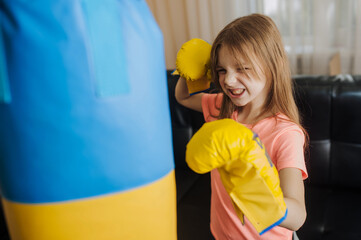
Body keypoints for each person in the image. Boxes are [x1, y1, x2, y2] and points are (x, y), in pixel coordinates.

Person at [175, 13, 308, 240]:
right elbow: (183, 97)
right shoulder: (222, 108)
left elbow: (297, 216)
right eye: (222, 70)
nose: (228, 81)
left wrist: (255, 190)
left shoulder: (284, 133)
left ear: (270, 66)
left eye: (241, 68)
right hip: (222, 233)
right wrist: (195, 72)